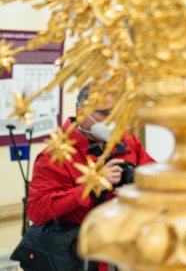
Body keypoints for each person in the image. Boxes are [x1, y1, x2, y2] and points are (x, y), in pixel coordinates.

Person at [24, 85, 155, 267]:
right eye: (103, 113)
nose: (112, 121)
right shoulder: (55, 156)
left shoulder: (127, 139)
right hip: (81, 251)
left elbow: (154, 175)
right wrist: (91, 187)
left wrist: (139, 186)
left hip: (126, 245)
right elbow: (37, 211)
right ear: (80, 113)